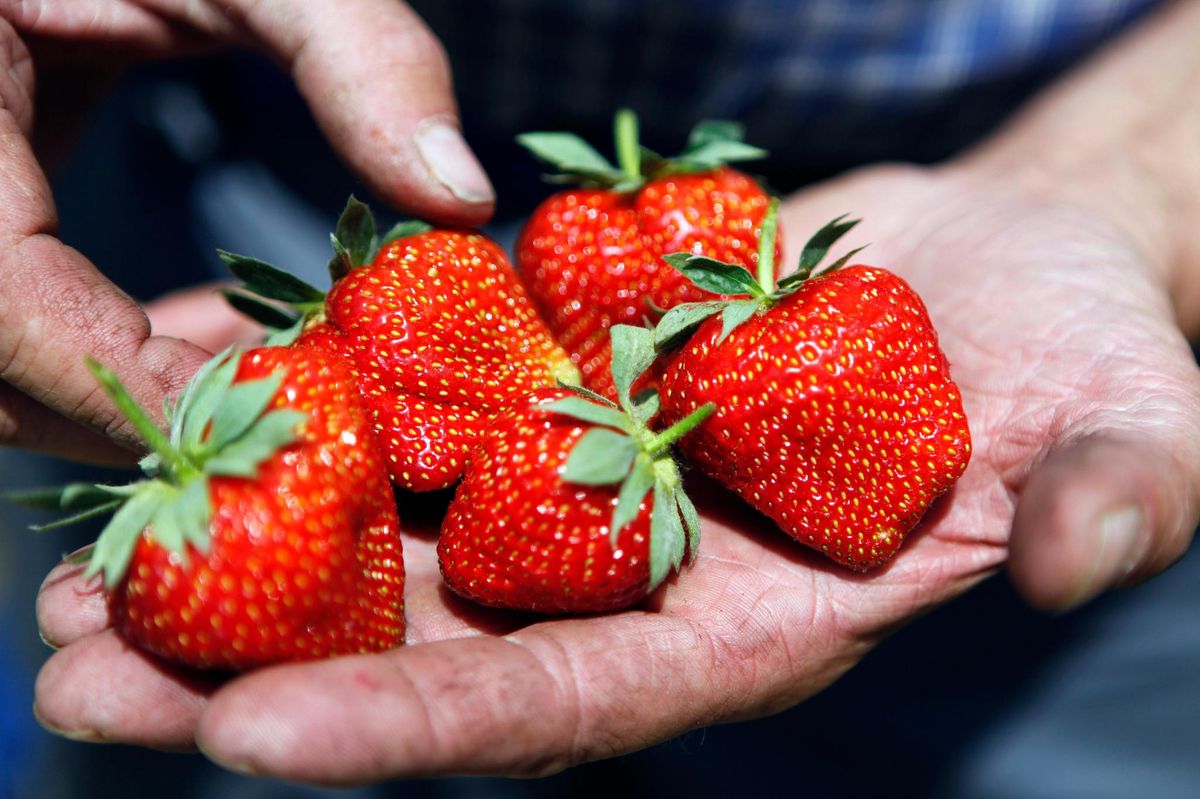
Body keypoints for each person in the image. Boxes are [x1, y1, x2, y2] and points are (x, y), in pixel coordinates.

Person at [5, 0, 1199, 791]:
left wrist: (1127, 177)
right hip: (270, 150)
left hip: (1060, 113)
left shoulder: (769, 333)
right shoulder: (444, 312)